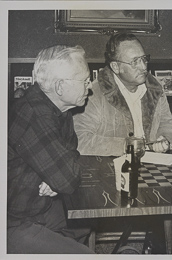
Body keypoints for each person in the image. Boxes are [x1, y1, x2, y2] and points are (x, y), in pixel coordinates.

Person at [7, 45, 94, 254]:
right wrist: (58, 177)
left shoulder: (61, 109)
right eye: (84, 80)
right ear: (60, 86)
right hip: (13, 220)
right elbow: (68, 177)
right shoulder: (35, 114)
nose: (90, 86)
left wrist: (54, 178)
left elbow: (72, 151)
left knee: (86, 221)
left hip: (38, 204)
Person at [73, 33, 172, 156]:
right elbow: (80, 139)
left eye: (144, 59)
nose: (143, 66)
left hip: (153, 165)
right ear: (116, 67)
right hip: (111, 167)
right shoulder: (93, 94)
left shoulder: (155, 89)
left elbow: (167, 124)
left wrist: (165, 139)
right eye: (134, 62)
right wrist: (126, 145)